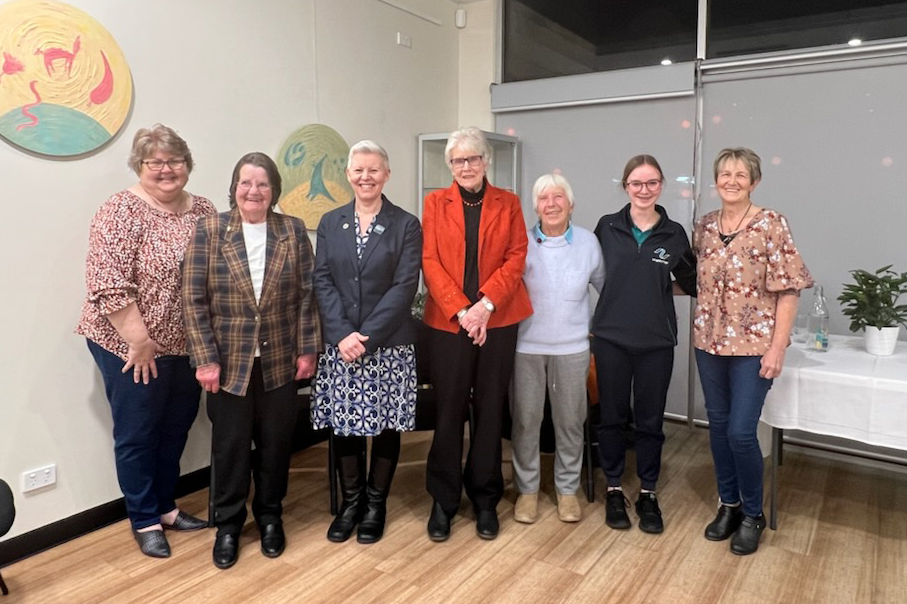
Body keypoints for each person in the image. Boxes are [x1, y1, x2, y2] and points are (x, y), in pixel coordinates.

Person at [76, 124, 215, 558]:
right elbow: (108, 283)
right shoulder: (120, 210)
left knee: (176, 427)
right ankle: (144, 518)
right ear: (140, 166)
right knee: (138, 432)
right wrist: (139, 341)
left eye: (175, 160)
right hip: (128, 343)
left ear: (188, 165)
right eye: (155, 162)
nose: (166, 169)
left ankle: (167, 507)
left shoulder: (205, 211)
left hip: (186, 345)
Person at [182, 152, 321, 569]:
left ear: (274, 190)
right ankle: (227, 524)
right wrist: (205, 360)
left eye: (262, 184)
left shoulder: (292, 230)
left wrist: (308, 348)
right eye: (246, 183)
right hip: (227, 363)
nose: (254, 191)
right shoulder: (209, 230)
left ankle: (270, 514)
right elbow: (193, 299)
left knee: (277, 444)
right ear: (234, 188)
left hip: (279, 359)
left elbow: (307, 294)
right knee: (230, 447)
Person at [693, 147, 812, 555]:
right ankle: (728, 504)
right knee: (719, 427)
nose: (731, 180)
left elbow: (789, 289)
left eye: (740, 174)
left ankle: (752, 514)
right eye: (725, 173)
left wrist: (777, 348)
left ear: (754, 181)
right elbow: (690, 280)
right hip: (708, 344)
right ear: (716, 180)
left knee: (742, 432)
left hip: (752, 347)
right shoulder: (705, 227)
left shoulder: (771, 224)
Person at [421, 126, 533, 541]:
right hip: (449, 323)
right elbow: (430, 261)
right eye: (457, 160)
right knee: (448, 410)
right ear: (449, 165)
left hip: (498, 321)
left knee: (490, 411)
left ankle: (485, 498)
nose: (465, 167)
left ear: (486, 161)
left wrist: (485, 306)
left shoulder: (509, 203)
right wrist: (463, 310)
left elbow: (516, 256)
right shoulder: (434, 202)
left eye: (473, 159)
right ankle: (443, 500)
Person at [311, 140, 422, 544]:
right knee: (345, 426)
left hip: (388, 345)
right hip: (341, 345)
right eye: (358, 170)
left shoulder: (406, 224)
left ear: (387, 175)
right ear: (348, 175)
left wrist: (366, 338)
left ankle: (376, 504)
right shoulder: (330, 222)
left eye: (374, 169)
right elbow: (322, 279)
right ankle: (351, 502)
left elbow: (404, 285)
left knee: (386, 426)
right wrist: (342, 335)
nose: (365, 176)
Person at [591, 155, 697, 534]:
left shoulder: (674, 233)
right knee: (613, 418)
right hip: (611, 339)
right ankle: (615, 488)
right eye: (636, 183)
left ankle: (648, 491)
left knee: (651, 420)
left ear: (662, 185)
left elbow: (693, 281)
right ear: (626, 187)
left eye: (651, 183)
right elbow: (588, 270)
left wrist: (655, 289)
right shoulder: (606, 227)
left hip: (656, 341)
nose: (644, 190)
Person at [511, 173, 604, 524]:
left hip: (572, 349)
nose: (551, 204)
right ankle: (528, 490)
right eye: (544, 198)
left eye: (558, 197)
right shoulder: (520, 242)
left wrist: (595, 332)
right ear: (535, 205)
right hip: (526, 347)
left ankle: (567, 490)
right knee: (526, 420)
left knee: (569, 421)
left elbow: (604, 289)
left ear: (570, 204)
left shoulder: (588, 242)